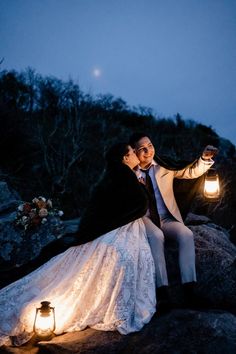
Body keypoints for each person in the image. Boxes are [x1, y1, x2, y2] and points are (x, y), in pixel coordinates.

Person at [0, 143, 156, 347]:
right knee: (121, 255)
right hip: (120, 228)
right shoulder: (123, 177)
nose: (137, 154)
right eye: (132, 152)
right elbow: (138, 205)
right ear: (125, 158)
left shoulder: (120, 176)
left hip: (121, 226)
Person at [129, 133, 217, 310]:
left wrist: (204, 159)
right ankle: (162, 293)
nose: (148, 151)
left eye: (150, 145)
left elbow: (189, 172)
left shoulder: (164, 166)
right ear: (134, 152)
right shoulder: (129, 173)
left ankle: (189, 288)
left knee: (186, 234)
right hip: (144, 220)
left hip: (167, 218)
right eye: (142, 149)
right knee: (156, 237)